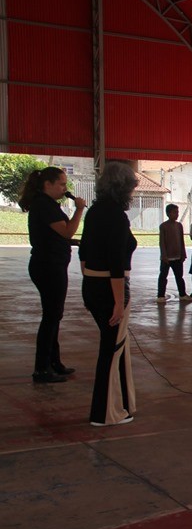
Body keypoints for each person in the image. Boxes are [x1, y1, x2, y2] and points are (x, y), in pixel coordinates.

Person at [78, 160, 138, 426]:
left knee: (115, 348)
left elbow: (83, 252)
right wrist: (117, 301)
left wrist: (89, 282)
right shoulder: (115, 215)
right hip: (108, 288)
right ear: (123, 188)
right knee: (111, 349)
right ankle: (104, 413)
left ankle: (121, 403)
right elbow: (115, 262)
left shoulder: (94, 211)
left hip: (92, 284)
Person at [19, 165, 86, 383]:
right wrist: (79, 210)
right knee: (51, 316)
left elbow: (60, 235)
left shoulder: (47, 204)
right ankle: (41, 368)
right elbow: (67, 230)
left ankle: (54, 362)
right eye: (62, 184)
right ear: (48, 185)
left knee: (54, 314)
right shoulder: (44, 205)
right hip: (48, 266)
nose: (65, 188)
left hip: (51, 264)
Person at [157, 204, 189, 304]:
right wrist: (164, 255)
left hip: (178, 257)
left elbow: (181, 241)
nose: (177, 214)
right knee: (163, 276)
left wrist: (183, 254)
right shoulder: (163, 226)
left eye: (177, 212)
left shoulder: (179, 225)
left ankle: (182, 294)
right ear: (168, 213)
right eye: (174, 212)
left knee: (179, 277)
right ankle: (160, 295)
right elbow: (162, 242)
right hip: (167, 258)